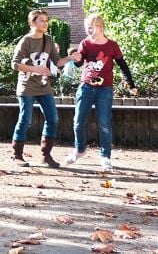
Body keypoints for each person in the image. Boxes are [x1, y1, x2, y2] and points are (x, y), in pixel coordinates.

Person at [66, 13, 137, 172]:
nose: (89, 31)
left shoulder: (112, 45)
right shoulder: (85, 43)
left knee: (104, 123)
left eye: (91, 28)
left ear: (100, 27)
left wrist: (131, 84)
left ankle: (105, 157)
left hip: (104, 89)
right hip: (86, 87)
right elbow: (79, 64)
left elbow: (122, 65)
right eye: (87, 29)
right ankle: (80, 149)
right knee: (78, 121)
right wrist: (76, 58)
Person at [10, 9, 77, 168]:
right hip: (27, 87)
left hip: (44, 87)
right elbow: (15, 64)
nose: (45, 23)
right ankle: (17, 155)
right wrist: (36, 69)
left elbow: (57, 61)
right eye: (41, 20)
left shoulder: (48, 40)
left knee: (53, 119)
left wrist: (70, 58)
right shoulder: (26, 41)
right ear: (33, 23)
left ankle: (46, 155)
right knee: (25, 120)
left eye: (46, 20)